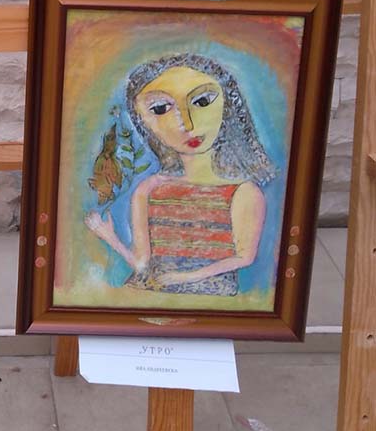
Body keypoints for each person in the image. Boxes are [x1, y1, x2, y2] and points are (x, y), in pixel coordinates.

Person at [84, 53, 275, 296]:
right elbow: (142, 266)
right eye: (160, 108)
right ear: (143, 122)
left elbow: (244, 257)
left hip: (211, 299)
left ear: (228, 105)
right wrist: (109, 237)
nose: (187, 123)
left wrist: (185, 277)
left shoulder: (244, 192)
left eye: (202, 101)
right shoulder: (149, 189)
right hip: (146, 294)